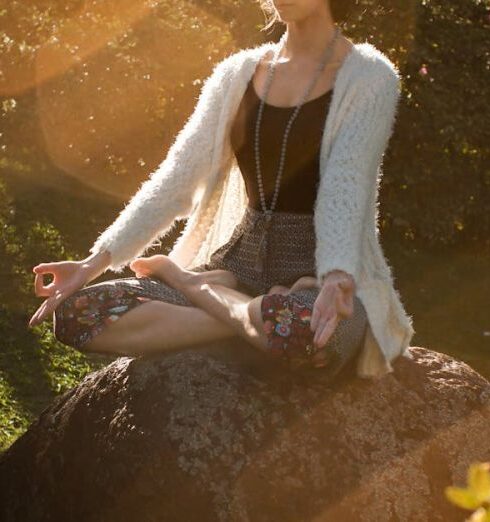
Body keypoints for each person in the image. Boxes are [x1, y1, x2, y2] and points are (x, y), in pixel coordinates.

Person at [28, 0, 415, 380]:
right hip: (235, 265)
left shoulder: (370, 77)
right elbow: (176, 178)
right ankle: (235, 307)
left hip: (317, 275)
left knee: (309, 335)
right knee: (80, 313)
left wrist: (336, 276)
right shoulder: (237, 74)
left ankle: (195, 288)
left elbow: (345, 187)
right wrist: (91, 264)